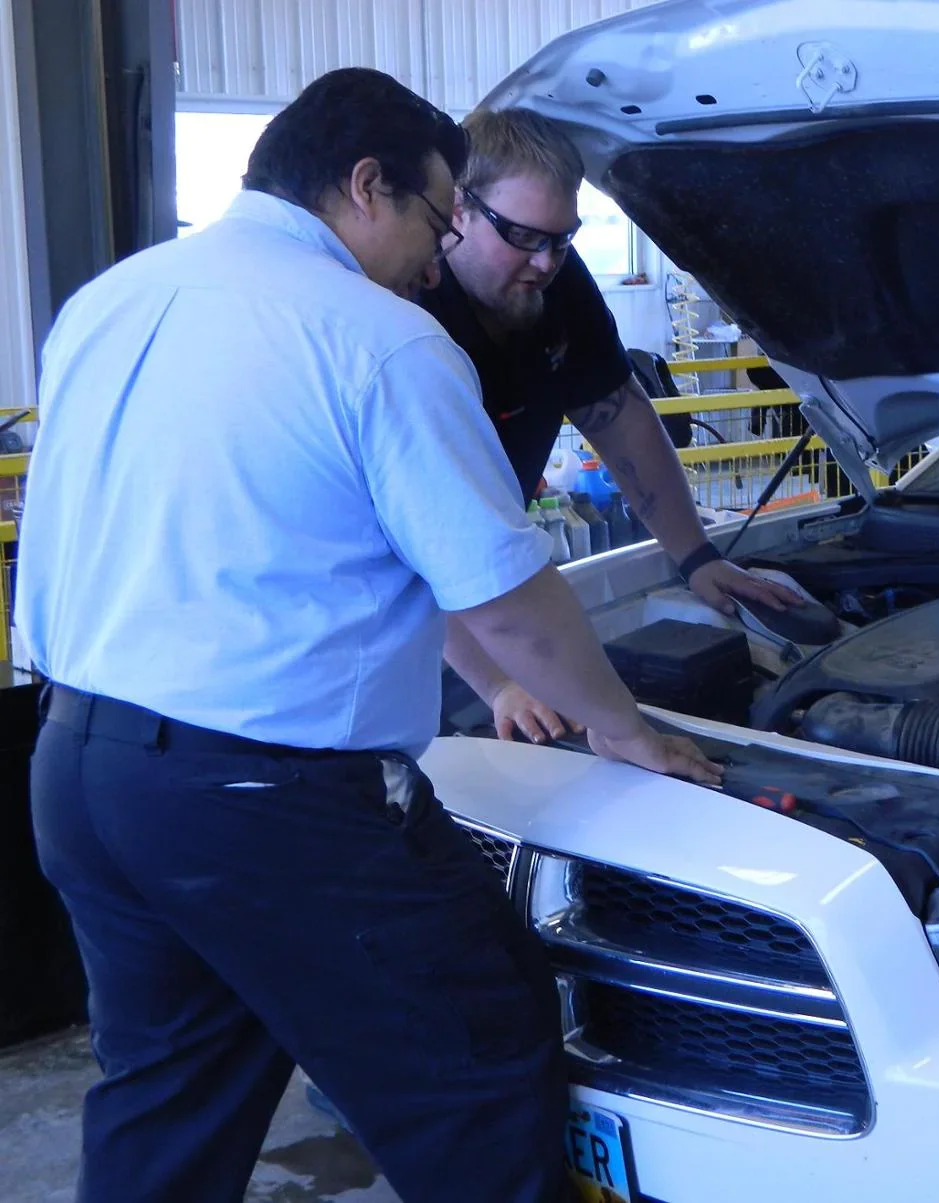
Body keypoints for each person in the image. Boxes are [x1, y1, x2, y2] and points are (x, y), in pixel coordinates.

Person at [17, 67, 720, 1203]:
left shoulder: (118, 296)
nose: (435, 259)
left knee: (169, 1091)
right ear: (364, 186)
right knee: (479, 1057)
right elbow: (502, 599)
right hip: (264, 799)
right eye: (438, 222)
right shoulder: (379, 338)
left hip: (78, 771)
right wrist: (626, 732)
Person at [420, 106, 800, 745]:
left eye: (562, 237)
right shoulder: (410, 321)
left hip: (491, 595)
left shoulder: (554, 284)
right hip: (397, 638)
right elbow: (409, 549)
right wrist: (498, 683)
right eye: (523, 235)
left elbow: (616, 414)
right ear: (457, 207)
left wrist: (695, 555)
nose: (546, 261)